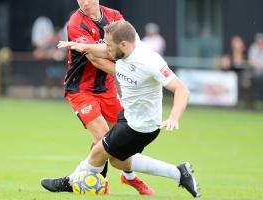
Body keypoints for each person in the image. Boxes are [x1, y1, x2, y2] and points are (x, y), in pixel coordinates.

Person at [54, 20, 201, 197]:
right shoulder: (126, 47)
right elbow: (107, 56)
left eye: (109, 46)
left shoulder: (150, 61)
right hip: (128, 115)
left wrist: (174, 118)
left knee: (97, 154)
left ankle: (70, 182)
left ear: (123, 44)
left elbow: (181, 89)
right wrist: (80, 45)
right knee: (117, 161)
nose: (107, 50)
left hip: (140, 127)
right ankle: (179, 173)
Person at [40, 0, 154, 195]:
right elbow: (93, 56)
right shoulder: (76, 22)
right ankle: (101, 181)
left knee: (121, 138)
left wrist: (118, 54)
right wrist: (118, 55)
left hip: (107, 88)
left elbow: (131, 47)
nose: (84, 2)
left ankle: (128, 177)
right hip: (81, 89)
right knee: (103, 137)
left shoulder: (115, 16)